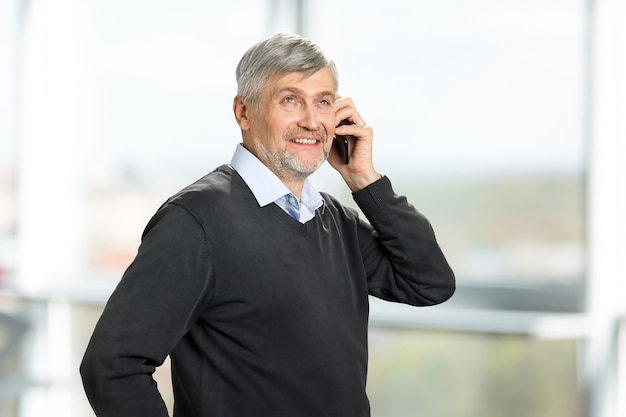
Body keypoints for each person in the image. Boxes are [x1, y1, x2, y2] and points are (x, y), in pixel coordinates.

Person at [80, 32, 455, 417]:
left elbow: (429, 283)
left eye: (323, 102)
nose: (311, 121)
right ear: (244, 112)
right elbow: (111, 367)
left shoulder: (334, 220)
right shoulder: (195, 221)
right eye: (290, 100)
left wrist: (365, 180)